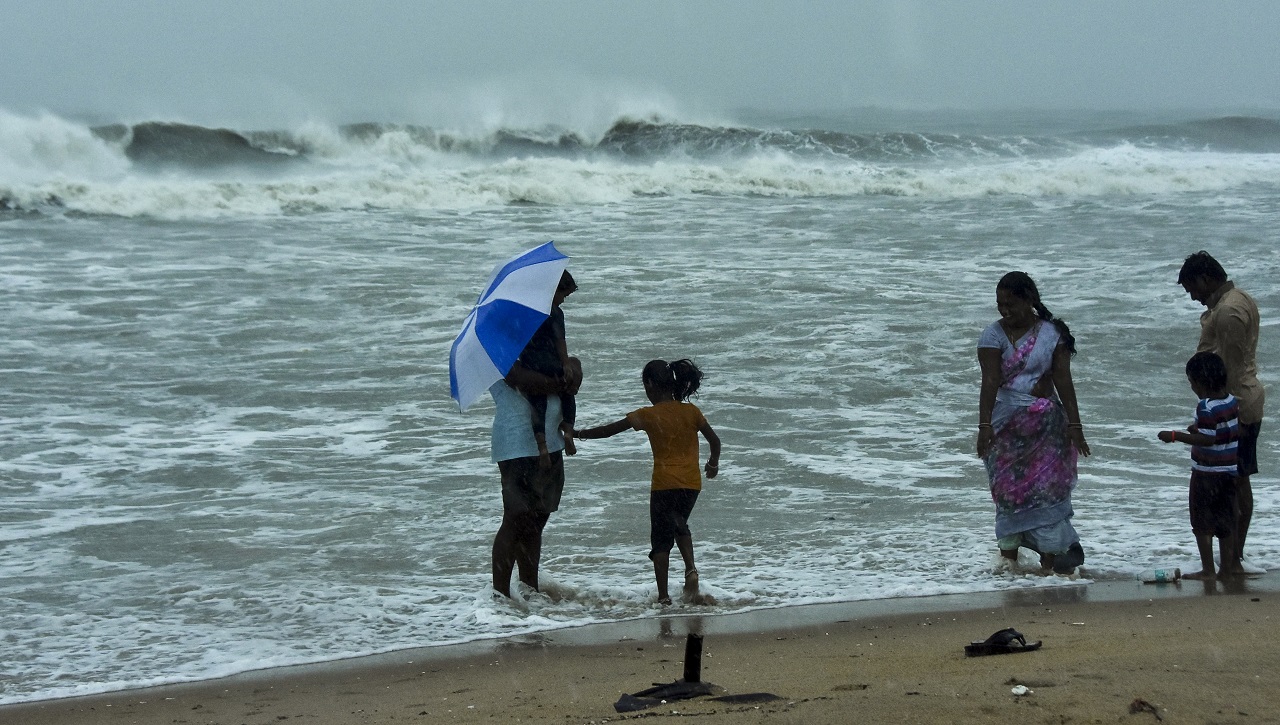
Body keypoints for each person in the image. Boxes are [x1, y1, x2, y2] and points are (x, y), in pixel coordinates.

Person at [575, 359, 721, 604]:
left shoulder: (648, 415)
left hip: (664, 484)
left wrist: (577, 434)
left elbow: (609, 431)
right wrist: (712, 464)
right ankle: (691, 570)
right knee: (679, 522)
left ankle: (663, 597)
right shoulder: (691, 411)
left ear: (651, 384)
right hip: (691, 484)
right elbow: (715, 441)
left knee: (661, 541)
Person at [976, 272, 1090, 575]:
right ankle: (1008, 563)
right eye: (1000, 304)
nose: (1004, 310)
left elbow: (1064, 381)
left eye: (1011, 304)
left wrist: (1075, 426)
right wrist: (984, 426)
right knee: (1007, 494)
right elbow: (989, 382)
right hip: (1005, 428)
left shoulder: (1052, 334)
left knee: (1045, 491)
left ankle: (1050, 563)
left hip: (1046, 431)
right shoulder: (992, 336)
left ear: (1029, 301)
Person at [1178, 251, 1264, 564]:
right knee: (1239, 480)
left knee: (1235, 483)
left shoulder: (1228, 312)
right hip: (1243, 400)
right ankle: (1233, 556)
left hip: (1236, 404)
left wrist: (1221, 417)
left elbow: (1226, 369)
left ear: (1205, 278)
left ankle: (1233, 557)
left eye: (1192, 289)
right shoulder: (1239, 299)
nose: (1193, 297)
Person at [489, 359, 579, 598]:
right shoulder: (497, 350)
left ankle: (530, 591)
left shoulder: (538, 346)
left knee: (536, 520)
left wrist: (569, 370)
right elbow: (521, 380)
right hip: (515, 444)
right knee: (515, 518)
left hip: (551, 443)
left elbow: (574, 371)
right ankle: (500, 597)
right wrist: (561, 381)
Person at [1158, 351, 1242, 579]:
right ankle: (1226, 569)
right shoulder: (1231, 401)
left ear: (1200, 382)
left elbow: (1208, 439)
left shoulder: (1205, 407)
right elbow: (1227, 429)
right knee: (1226, 522)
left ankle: (1207, 569)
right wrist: (1200, 429)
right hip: (1229, 472)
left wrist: (1175, 436)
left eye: (1191, 382)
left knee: (1202, 521)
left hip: (1206, 474)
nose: (1192, 387)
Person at [519, 271, 580, 466]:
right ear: (553, 290)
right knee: (568, 392)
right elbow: (559, 340)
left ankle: (542, 444)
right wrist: (565, 364)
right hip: (551, 362)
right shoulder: (554, 312)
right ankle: (568, 430)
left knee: (537, 400)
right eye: (563, 295)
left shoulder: (527, 311)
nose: (563, 300)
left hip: (530, 362)